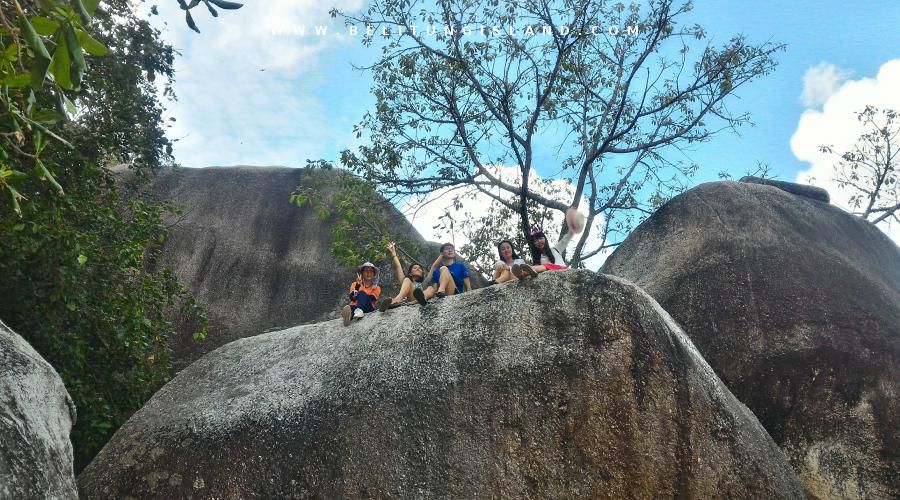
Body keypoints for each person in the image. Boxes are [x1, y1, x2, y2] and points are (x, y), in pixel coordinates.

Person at [377, 241, 426, 311]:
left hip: (420, 299)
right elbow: (398, 267)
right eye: (415, 268)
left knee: (427, 289)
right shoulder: (406, 281)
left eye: (420, 268)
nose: (418, 269)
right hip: (411, 299)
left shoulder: (424, 283)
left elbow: (433, 268)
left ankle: (396, 300)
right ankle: (397, 300)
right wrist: (393, 254)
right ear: (410, 273)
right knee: (407, 280)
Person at [341, 262, 382, 326]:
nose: (368, 273)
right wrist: (358, 285)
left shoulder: (377, 287)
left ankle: (359, 310)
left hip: (368, 308)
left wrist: (361, 294)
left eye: (371, 271)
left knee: (362, 293)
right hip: (355, 306)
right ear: (362, 273)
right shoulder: (355, 284)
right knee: (350, 307)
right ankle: (348, 317)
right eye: (366, 271)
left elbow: (371, 299)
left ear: (374, 274)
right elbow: (352, 298)